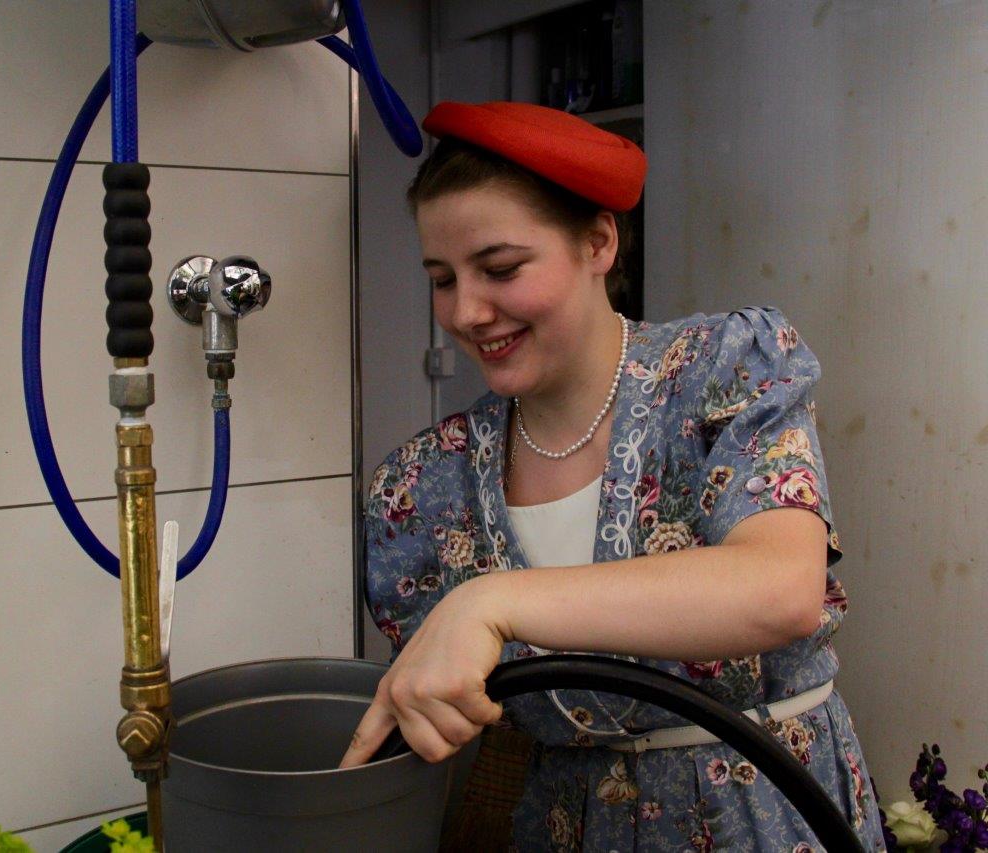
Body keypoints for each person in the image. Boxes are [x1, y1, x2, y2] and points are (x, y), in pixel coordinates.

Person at [339, 101, 886, 852]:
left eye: (500, 269)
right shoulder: (422, 487)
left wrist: (491, 601)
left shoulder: (721, 373)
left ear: (598, 242)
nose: (466, 311)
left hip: (767, 816)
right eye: (442, 278)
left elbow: (780, 591)